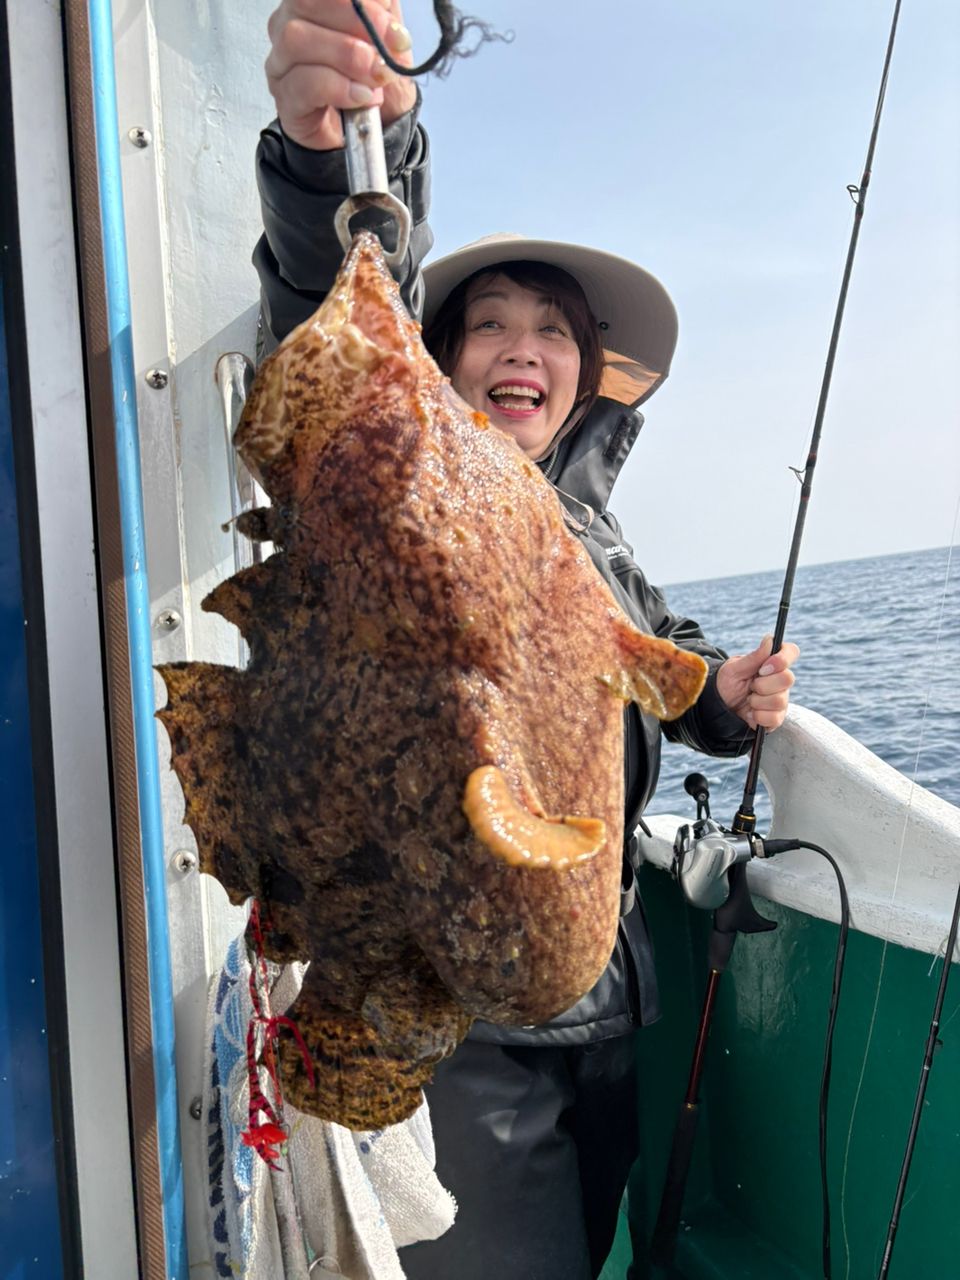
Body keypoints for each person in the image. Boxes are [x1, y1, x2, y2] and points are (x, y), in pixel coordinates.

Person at [256, 5, 799, 1278]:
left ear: (583, 373)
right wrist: (341, 151)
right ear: (442, 364)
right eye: (490, 321)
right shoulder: (399, 487)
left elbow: (659, 666)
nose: (525, 346)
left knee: (589, 1237)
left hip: (602, 986)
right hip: (454, 988)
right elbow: (338, 306)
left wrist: (724, 695)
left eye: (554, 330)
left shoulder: (590, 533)